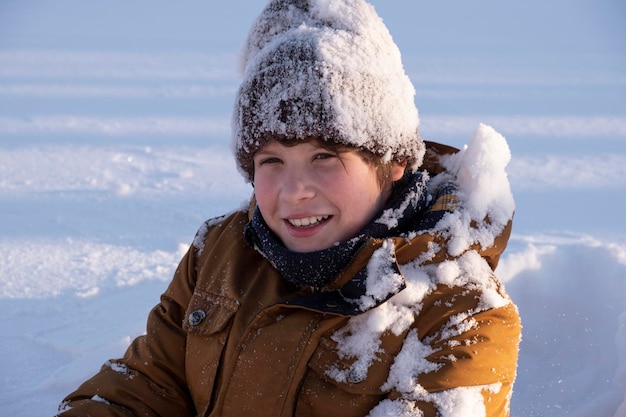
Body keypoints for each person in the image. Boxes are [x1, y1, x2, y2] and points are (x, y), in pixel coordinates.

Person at [57, 0, 521, 416]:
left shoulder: (461, 312)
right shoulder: (219, 252)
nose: (294, 191)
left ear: (394, 161)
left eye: (324, 158)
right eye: (271, 161)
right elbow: (151, 382)